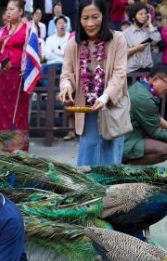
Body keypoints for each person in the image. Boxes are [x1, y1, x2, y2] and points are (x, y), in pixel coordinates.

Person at [59, 0, 130, 166]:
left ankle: (111, 192)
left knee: (110, 158)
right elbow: (67, 73)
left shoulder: (118, 39)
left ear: (104, 17)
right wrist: (67, 86)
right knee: (87, 157)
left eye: (95, 17)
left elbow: (120, 74)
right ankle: (87, 192)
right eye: (85, 18)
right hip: (87, 108)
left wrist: (105, 97)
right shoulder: (73, 44)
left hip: (111, 107)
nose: (90, 23)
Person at [0, 0, 36, 152]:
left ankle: (19, 149)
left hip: (18, 75)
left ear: (21, 11)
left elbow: (35, 52)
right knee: (2, 111)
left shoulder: (28, 29)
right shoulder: (1, 30)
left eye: (12, 9)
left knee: (19, 113)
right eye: (7, 9)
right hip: (2, 76)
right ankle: (3, 148)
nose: (8, 12)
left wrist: (27, 67)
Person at [124, 2, 160, 73]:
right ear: (134, 17)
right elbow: (122, 54)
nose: (144, 16)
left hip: (147, 70)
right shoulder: (126, 33)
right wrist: (135, 49)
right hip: (132, 71)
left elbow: (157, 39)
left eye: (145, 14)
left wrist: (149, 24)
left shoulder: (149, 30)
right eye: (141, 14)